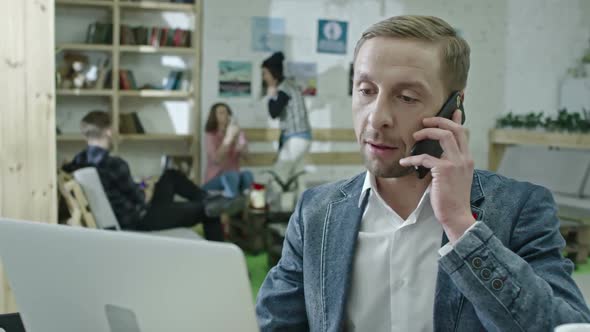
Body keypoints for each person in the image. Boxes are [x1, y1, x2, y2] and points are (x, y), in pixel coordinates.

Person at [256, 15, 590, 331]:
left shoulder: (520, 209)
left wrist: (462, 227)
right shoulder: (316, 211)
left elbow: (564, 325)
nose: (376, 118)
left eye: (406, 97)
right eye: (366, 90)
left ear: (454, 107)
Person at [62, 111, 240, 241]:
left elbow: (122, 193)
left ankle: (209, 198)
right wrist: (146, 190)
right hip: (140, 220)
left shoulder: (79, 161)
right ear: (109, 131)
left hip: (129, 215)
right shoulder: (115, 164)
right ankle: (213, 206)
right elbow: (140, 200)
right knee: (208, 211)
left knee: (170, 175)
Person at [262, 52, 312, 193]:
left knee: (279, 174)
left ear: (273, 73)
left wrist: (271, 95)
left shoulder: (284, 89)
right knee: (296, 177)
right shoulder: (290, 85)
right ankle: (302, 211)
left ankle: (273, 207)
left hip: (296, 138)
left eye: (265, 73)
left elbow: (274, 113)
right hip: (301, 138)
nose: (264, 77)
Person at [203, 102, 254, 199]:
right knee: (232, 175)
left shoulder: (238, 133)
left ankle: (243, 205)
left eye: (227, 113)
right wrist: (228, 138)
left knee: (247, 175)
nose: (225, 115)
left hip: (235, 177)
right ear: (214, 116)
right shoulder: (210, 135)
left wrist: (240, 141)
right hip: (214, 180)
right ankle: (232, 204)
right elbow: (216, 159)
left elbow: (248, 158)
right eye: (221, 113)